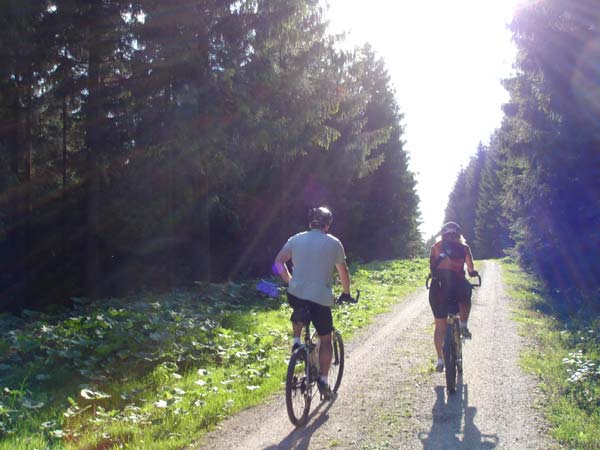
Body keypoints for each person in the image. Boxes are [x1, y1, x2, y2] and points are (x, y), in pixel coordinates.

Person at [273, 206, 352, 400]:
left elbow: (277, 263)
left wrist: (290, 280)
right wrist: (346, 293)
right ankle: (324, 381)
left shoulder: (296, 239)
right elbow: (343, 272)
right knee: (325, 340)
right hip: (320, 297)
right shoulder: (334, 243)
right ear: (327, 224)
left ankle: (296, 342)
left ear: (310, 223)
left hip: (296, 293)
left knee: (299, 308)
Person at [428, 221, 478, 372]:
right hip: (457, 285)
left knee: (439, 326)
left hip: (438, 288)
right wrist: (471, 272)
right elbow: (470, 268)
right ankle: (463, 324)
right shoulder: (464, 248)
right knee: (466, 297)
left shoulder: (435, 247)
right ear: (458, 235)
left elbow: (431, 267)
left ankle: (440, 360)